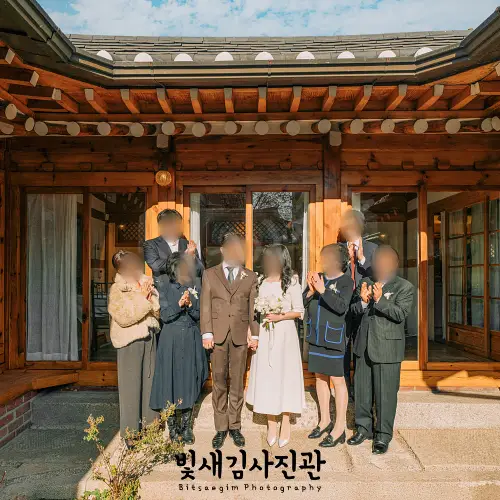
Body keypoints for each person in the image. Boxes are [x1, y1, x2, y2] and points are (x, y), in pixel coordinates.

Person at [347, 245, 414, 455]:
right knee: (362, 391)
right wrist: (363, 302)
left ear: (394, 264)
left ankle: (383, 436)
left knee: (386, 395)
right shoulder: (365, 282)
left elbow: (400, 314)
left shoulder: (404, 287)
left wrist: (379, 300)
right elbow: (353, 311)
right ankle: (363, 428)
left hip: (387, 349)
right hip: (363, 346)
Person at [200, 233, 259, 449]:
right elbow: (205, 305)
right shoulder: (209, 274)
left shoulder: (249, 276)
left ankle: (235, 426)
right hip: (217, 335)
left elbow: (253, 308)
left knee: (237, 381)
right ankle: (220, 427)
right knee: (219, 380)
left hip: (240, 335)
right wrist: (206, 333)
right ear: (223, 250)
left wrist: (255, 334)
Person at [246, 244, 306, 448]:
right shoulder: (261, 281)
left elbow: (299, 311)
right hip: (265, 332)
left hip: (285, 334)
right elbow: (255, 311)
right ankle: (271, 423)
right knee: (268, 376)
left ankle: (286, 422)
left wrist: (280, 316)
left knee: (285, 376)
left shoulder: (292, 282)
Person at [150, 252, 207, 444]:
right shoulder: (164, 287)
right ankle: (173, 429)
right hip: (171, 338)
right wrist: (179, 304)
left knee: (189, 380)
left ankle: (186, 428)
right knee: (170, 382)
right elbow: (165, 316)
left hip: (190, 337)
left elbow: (199, 315)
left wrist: (190, 305)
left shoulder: (195, 286)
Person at [107, 250, 160, 445]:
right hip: (129, 342)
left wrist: (150, 296)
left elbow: (157, 310)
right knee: (130, 388)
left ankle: (151, 429)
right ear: (120, 269)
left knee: (150, 384)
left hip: (150, 337)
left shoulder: (144, 282)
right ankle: (130, 435)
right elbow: (124, 317)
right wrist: (143, 299)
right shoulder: (117, 290)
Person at [303, 244, 353, 447]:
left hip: (333, 337)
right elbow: (304, 302)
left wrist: (322, 290)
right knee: (320, 377)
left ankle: (339, 427)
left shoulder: (346, 281)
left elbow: (341, 307)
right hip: (316, 336)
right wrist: (310, 291)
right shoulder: (319, 277)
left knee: (338, 380)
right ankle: (324, 421)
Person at [340, 209, 378, 394]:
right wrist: (347, 262)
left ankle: (360, 390)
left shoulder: (373, 249)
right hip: (343, 306)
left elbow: (378, 275)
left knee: (361, 348)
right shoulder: (338, 249)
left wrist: (362, 259)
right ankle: (345, 390)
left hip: (365, 305)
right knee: (343, 349)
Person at [143, 209, 204, 285]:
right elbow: (155, 266)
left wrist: (192, 258)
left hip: (186, 288)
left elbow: (200, 269)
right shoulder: (151, 244)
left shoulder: (187, 244)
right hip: (164, 289)